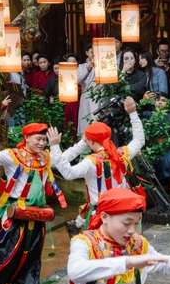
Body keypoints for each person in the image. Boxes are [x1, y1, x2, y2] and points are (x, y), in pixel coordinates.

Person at [0, 122, 67, 284]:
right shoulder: (13, 155)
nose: (42, 143)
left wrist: (58, 145)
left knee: (31, 254)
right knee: (6, 252)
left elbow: (64, 161)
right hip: (14, 212)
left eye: (44, 140)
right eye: (38, 139)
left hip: (36, 214)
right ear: (27, 138)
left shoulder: (45, 157)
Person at [49, 97, 145, 230]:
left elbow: (68, 173)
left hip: (102, 217)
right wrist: (133, 113)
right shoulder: (122, 153)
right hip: (124, 211)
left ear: (90, 142)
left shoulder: (90, 162)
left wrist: (55, 146)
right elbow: (139, 140)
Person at [77, 43, 103, 136]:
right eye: (92, 52)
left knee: (99, 121)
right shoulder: (81, 67)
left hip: (100, 96)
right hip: (86, 97)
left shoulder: (103, 65)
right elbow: (78, 80)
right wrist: (88, 69)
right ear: (87, 53)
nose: (94, 54)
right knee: (86, 120)